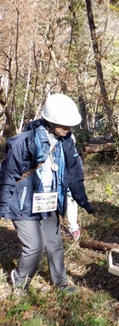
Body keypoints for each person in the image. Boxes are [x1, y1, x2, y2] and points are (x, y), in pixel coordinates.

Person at [0, 93, 96, 293]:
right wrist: (2, 206)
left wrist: (82, 200)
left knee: (55, 243)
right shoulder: (23, 142)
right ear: (50, 121)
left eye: (70, 126)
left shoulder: (67, 141)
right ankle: (19, 281)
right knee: (35, 246)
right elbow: (8, 176)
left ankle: (60, 282)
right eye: (64, 125)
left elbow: (73, 171)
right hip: (23, 202)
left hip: (47, 200)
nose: (68, 129)